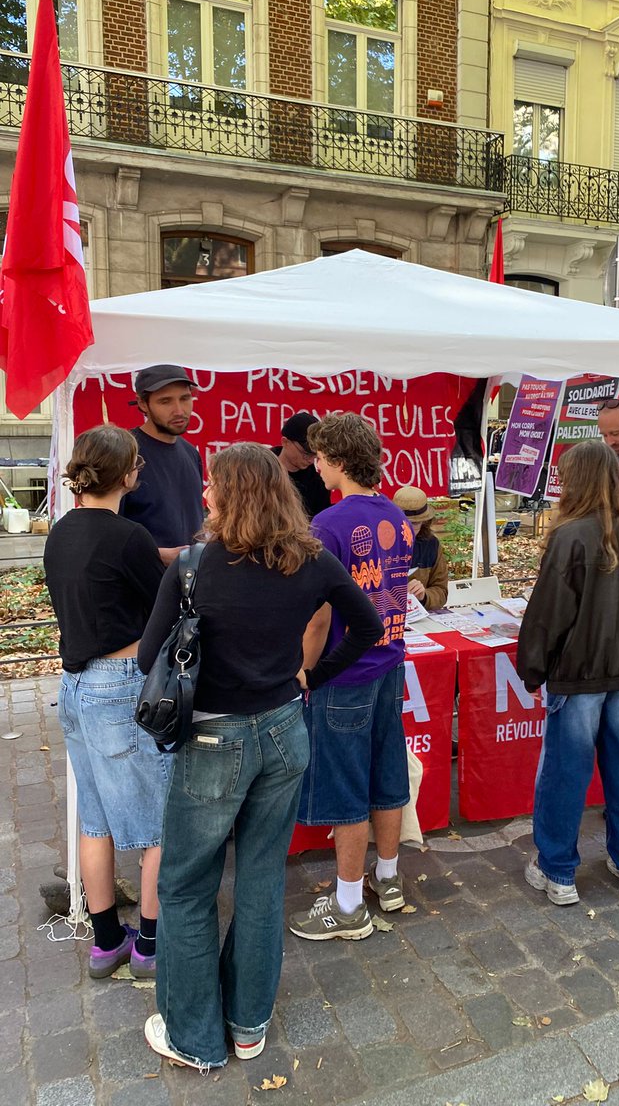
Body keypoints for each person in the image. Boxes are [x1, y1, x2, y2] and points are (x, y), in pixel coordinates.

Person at [138, 443, 383, 1071]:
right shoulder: (310, 560)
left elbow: (150, 662)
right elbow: (368, 627)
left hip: (215, 739)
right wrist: (311, 674)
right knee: (260, 878)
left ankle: (195, 1039)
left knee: (188, 886)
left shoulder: (193, 566)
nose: (204, 494)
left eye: (212, 484)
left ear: (231, 492)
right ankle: (248, 1026)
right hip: (282, 731)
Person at [517, 441, 619, 903]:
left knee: (566, 772)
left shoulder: (572, 535)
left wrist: (532, 667)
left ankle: (558, 871)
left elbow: (548, 613)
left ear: (578, 480)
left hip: (580, 673)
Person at [43, 426, 166, 980]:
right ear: (126, 474)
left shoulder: (60, 530)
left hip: (73, 683)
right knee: (158, 825)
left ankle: (104, 943)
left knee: (95, 820)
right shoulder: (129, 536)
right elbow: (159, 604)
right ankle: (149, 944)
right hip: (119, 683)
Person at [290, 413, 413, 941]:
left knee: (345, 788)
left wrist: (303, 669)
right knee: (386, 777)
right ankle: (386, 879)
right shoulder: (397, 514)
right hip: (389, 662)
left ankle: (345, 905)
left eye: (319, 457)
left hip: (344, 674)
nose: (315, 467)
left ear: (337, 461)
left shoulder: (328, 524)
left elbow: (318, 616)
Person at [121, 365, 203, 565]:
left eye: (185, 398)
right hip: (144, 586)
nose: (179, 410)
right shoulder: (124, 454)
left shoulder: (191, 453)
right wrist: (157, 555)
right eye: (165, 401)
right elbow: (105, 533)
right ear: (142, 403)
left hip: (191, 583)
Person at [393, 485, 449, 611]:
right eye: (404, 523)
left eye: (415, 523)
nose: (409, 530)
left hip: (418, 617)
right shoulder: (378, 543)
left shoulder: (431, 545)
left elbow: (441, 591)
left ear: (424, 521)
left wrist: (424, 596)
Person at [274, 411, 331, 519]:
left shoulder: (319, 485)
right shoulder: (260, 472)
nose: (310, 459)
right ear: (285, 442)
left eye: (315, 454)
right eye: (305, 453)